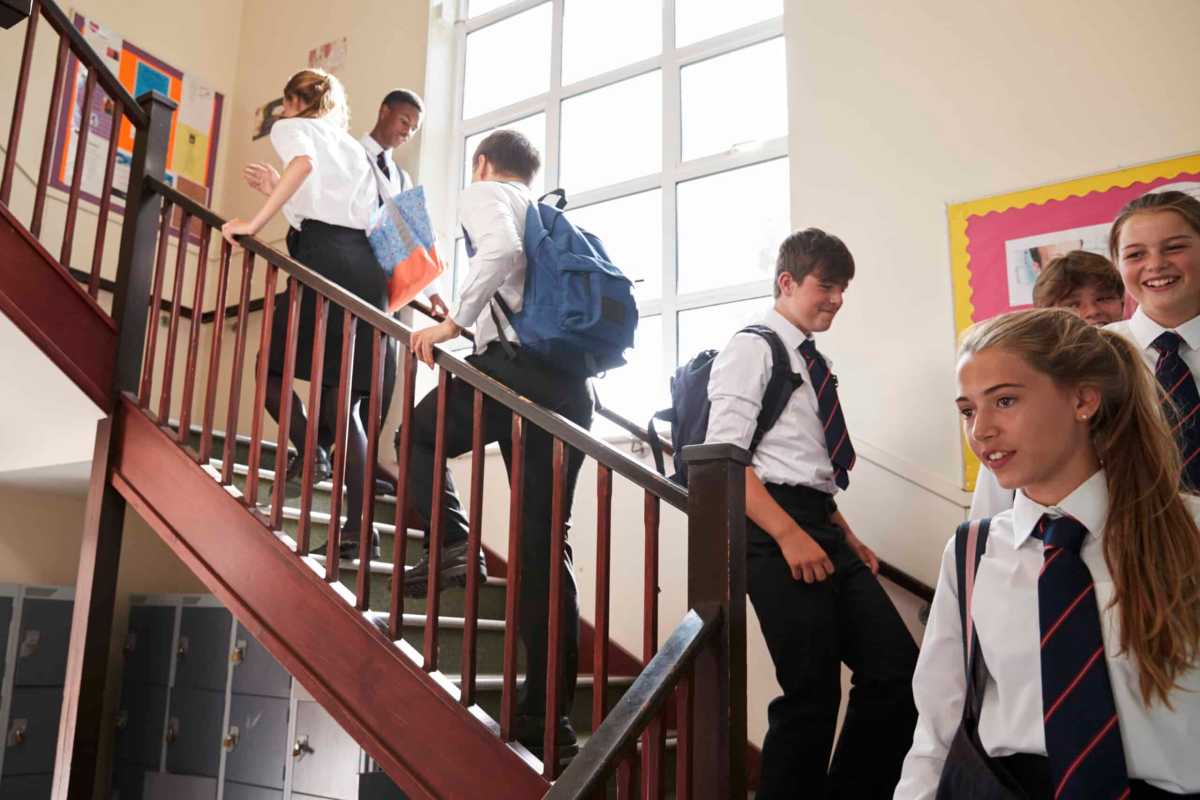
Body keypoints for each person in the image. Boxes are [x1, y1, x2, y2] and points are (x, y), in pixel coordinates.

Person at [897, 308, 1200, 799]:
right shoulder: (971, 552)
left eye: (1006, 401)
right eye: (969, 410)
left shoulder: (1188, 530)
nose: (981, 431)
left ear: (1083, 399)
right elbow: (937, 726)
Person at [400, 130, 594, 762]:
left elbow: (501, 250)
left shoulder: (486, 194)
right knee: (543, 548)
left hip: (515, 373)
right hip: (568, 388)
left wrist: (453, 322)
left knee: (416, 437)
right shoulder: (545, 213)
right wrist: (464, 313)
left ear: (484, 163)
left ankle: (454, 543)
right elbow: (513, 276)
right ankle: (549, 719)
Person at [705, 229, 918, 798]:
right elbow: (726, 464)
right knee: (811, 693)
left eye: (843, 289)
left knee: (896, 671)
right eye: (826, 286)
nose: (837, 299)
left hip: (818, 520)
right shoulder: (753, 347)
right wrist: (788, 534)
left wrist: (845, 536)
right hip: (771, 525)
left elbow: (809, 467)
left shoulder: (810, 358)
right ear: (787, 282)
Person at [243, 87, 448, 497]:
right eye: (404, 120)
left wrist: (434, 291)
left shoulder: (402, 176)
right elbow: (315, 211)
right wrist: (275, 192)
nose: (408, 131)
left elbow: (409, 236)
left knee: (362, 393)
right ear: (384, 111)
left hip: (377, 290)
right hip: (333, 270)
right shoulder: (345, 149)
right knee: (329, 382)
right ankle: (316, 458)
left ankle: (337, 473)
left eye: (415, 127)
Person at [221, 68, 384, 559]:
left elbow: (305, 168)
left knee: (269, 368)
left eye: (286, 103)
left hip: (326, 262)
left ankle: (311, 452)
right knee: (342, 403)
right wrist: (280, 189)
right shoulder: (350, 144)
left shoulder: (290, 126)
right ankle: (358, 527)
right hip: (363, 267)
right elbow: (331, 209)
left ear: (292, 100)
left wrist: (253, 222)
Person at [969, 250, 1125, 517]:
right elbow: (989, 518)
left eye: (1104, 298)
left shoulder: (1147, 376)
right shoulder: (1019, 405)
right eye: (1072, 304)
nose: (1092, 312)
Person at [1106, 190, 1200, 490]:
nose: (1156, 264)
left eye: (1174, 248)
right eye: (1135, 254)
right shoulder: (1088, 355)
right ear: (1117, 264)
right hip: (1131, 531)